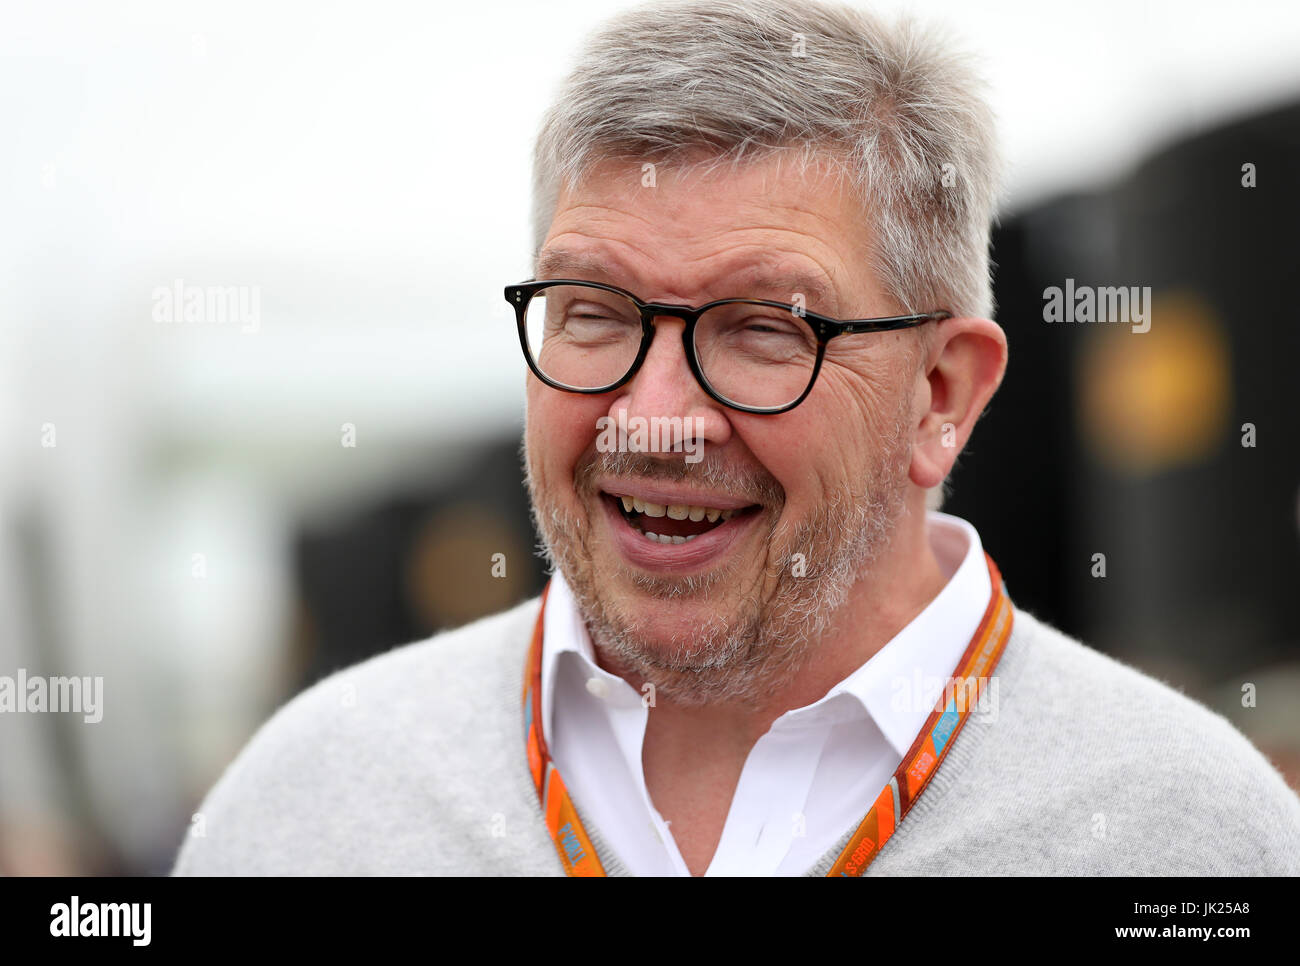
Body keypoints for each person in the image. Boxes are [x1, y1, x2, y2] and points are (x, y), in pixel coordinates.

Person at [173, 0, 1300, 876]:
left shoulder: (1185, 836)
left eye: (763, 329)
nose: (656, 417)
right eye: (596, 314)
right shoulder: (310, 805)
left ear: (941, 393)